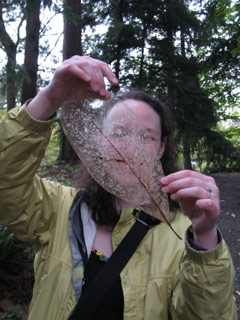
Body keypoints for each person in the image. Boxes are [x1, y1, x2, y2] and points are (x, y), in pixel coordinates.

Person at [0, 56, 237, 320]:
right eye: (118, 133)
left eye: (145, 136)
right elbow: (5, 183)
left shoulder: (186, 236)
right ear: (100, 142)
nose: (128, 148)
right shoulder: (59, 209)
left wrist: (204, 239)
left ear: (161, 148)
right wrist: (49, 99)